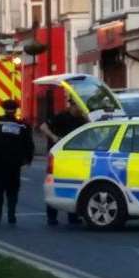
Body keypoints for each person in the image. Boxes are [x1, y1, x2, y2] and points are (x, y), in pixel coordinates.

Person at [0, 99, 34, 226]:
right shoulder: (22, 125)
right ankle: (11, 216)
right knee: (12, 191)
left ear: (4, 109)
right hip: (14, 165)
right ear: (16, 110)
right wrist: (27, 159)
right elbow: (28, 144)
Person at [39, 97, 88, 226]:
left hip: (76, 156)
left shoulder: (81, 119)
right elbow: (43, 127)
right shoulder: (61, 116)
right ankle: (52, 217)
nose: (80, 109)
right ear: (72, 105)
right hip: (60, 156)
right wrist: (54, 137)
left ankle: (73, 216)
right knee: (55, 184)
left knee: (74, 185)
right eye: (78, 106)